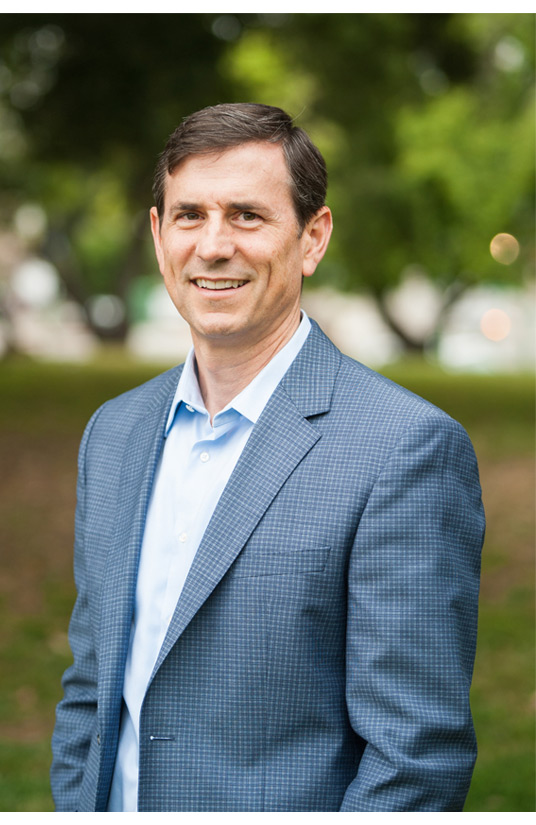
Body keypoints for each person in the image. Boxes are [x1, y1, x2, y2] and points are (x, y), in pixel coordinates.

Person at [50, 103, 483, 811]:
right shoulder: (114, 433)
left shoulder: (404, 449)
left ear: (313, 238)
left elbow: (415, 759)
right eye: (189, 215)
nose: (214, 245)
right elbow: (91, 688)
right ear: (160, 236)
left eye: (247, 216)